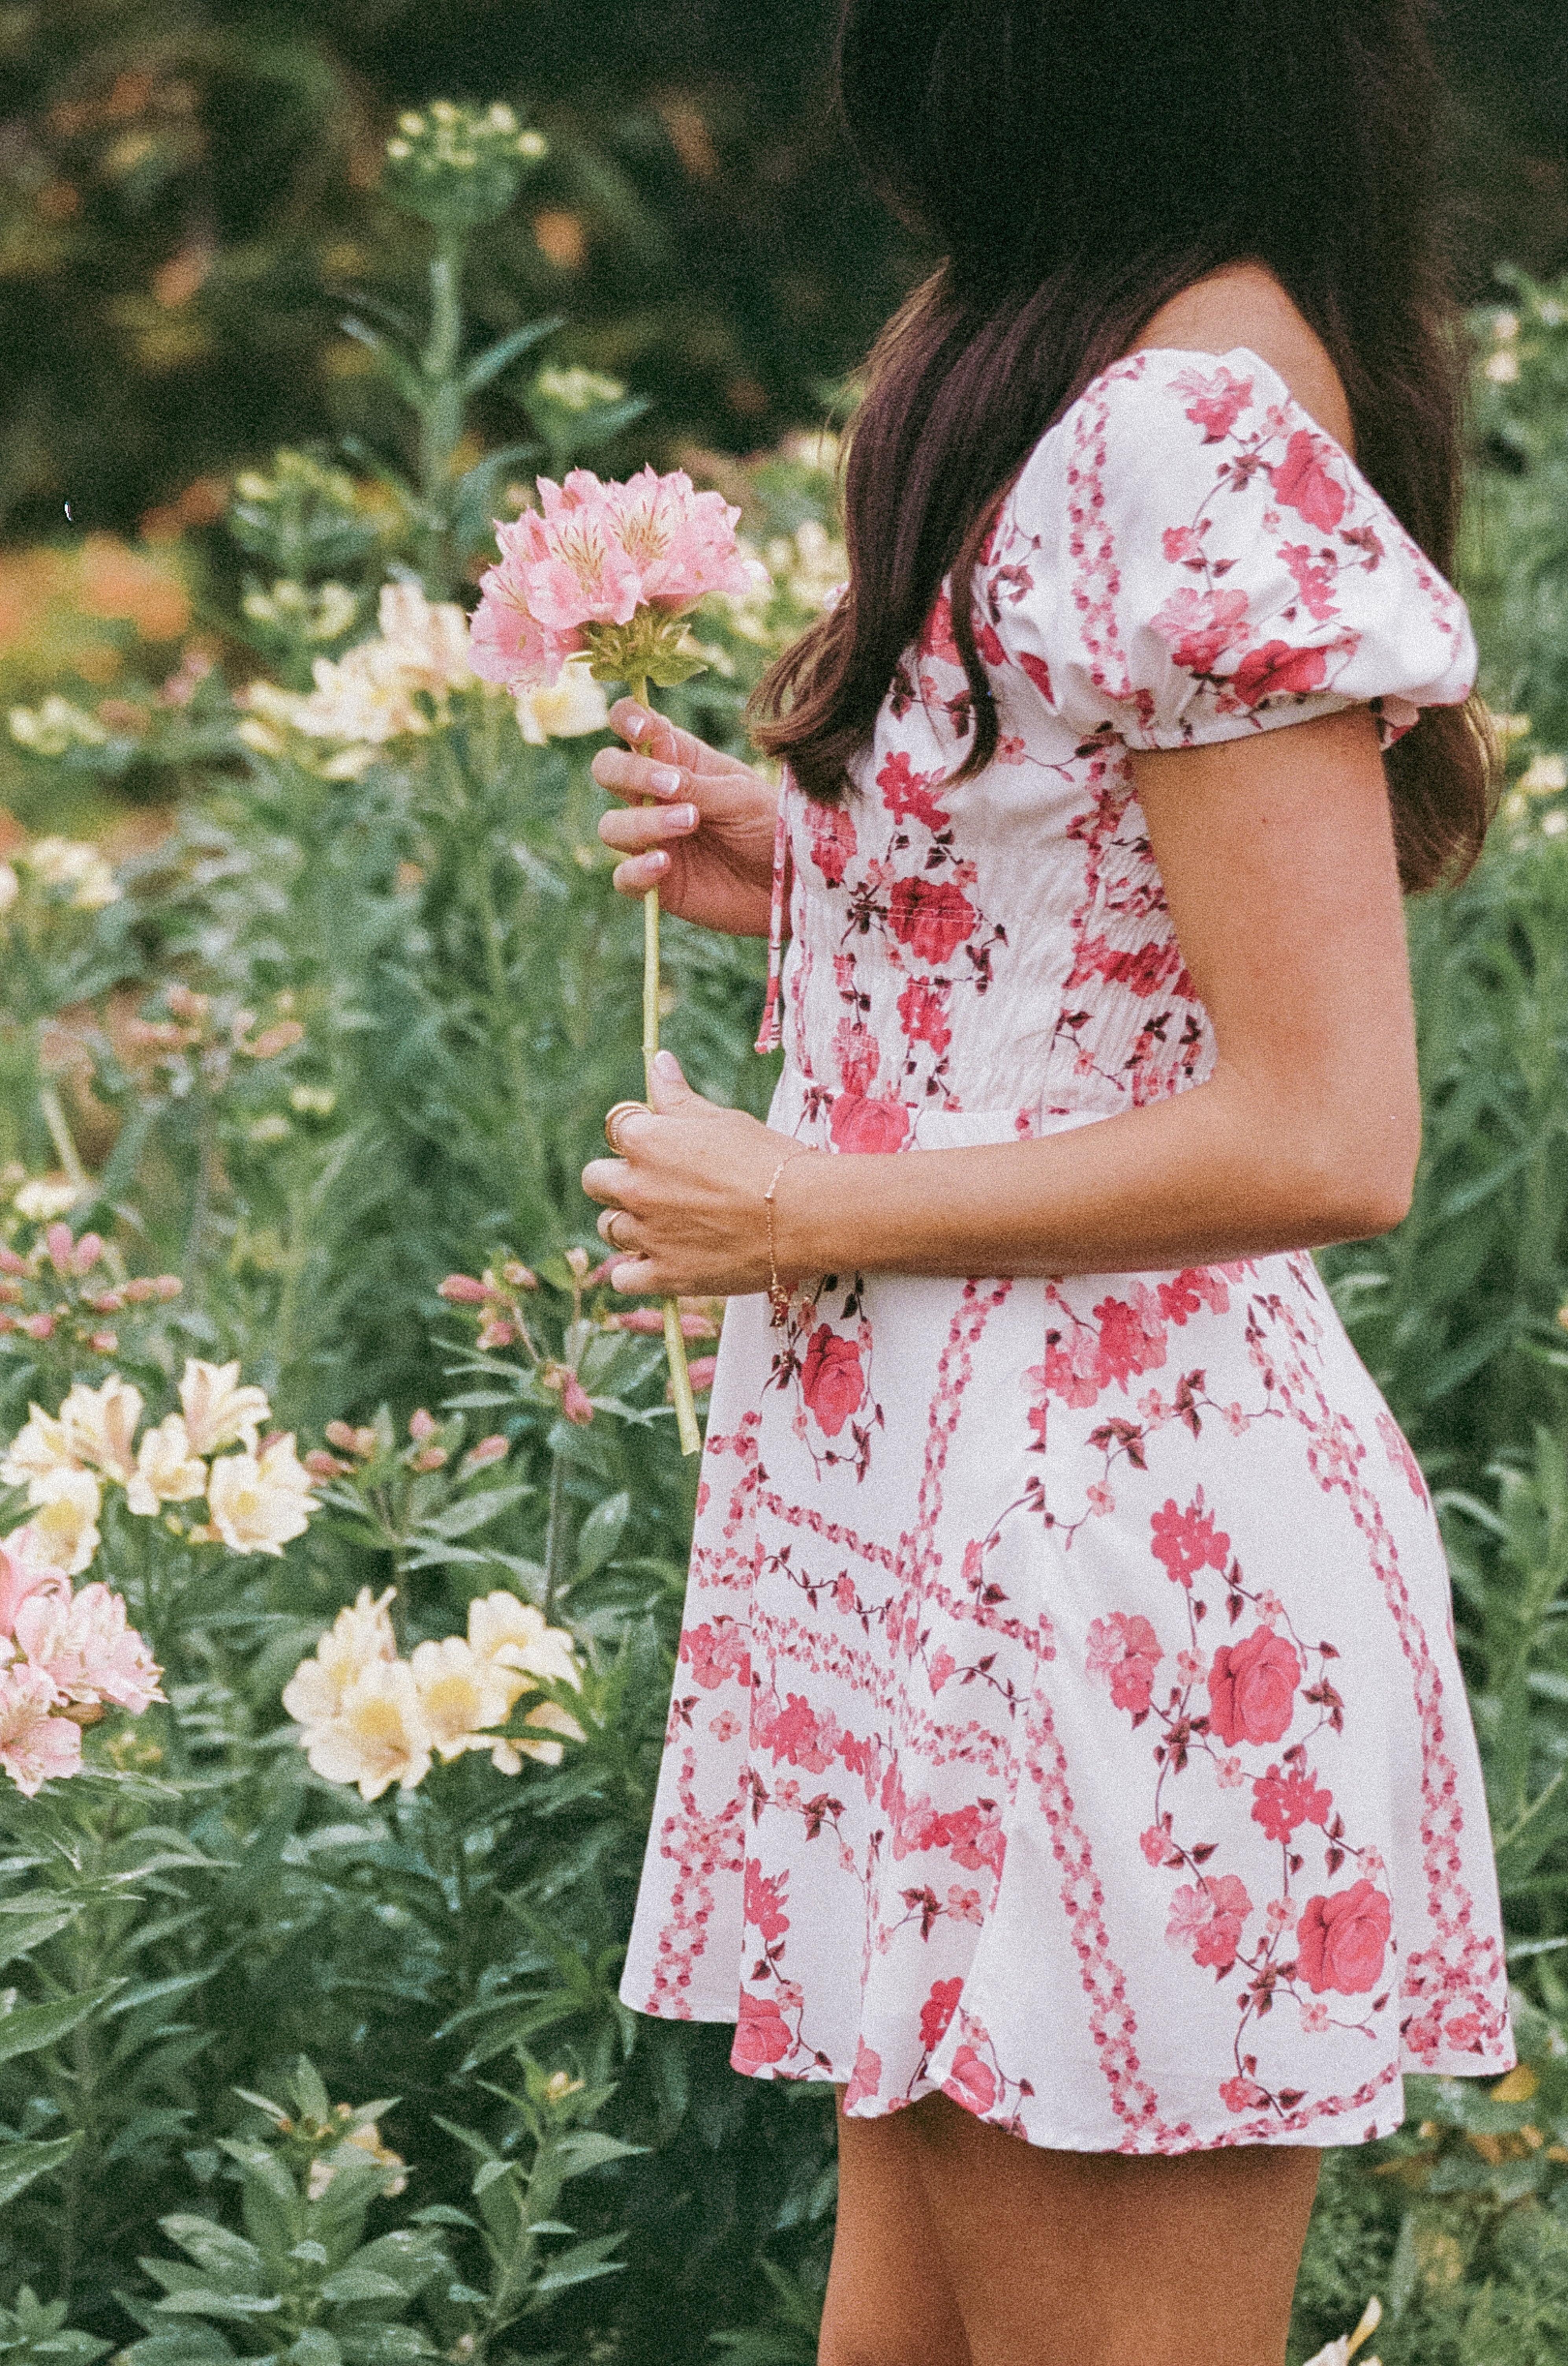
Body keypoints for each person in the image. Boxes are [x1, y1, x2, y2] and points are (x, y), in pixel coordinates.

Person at [580, 4, 1513, 2358]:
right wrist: (824, 869)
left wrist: (797, 1214)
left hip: (1113, 1576)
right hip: (969, 1533)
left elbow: (1324, 1129)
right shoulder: (1107, 362)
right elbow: (1104, 939)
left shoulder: (1184, 418)